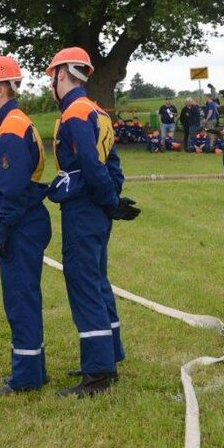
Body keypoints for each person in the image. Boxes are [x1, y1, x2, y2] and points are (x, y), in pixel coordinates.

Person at [46, 47, 140, 397]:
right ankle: (109, 353)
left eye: (51, 77)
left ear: (62, 75)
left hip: (83, 209)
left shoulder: (74, 113)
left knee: (84, 282)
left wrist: (107, 200)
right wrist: (112, 200)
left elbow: (90, 164)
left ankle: (98, 372)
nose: (50, 85)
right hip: (96, 206)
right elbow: (111, 164)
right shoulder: (97, 111)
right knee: (97, 279)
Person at [0, 55, 51, 396]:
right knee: (25, 297)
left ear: (1, 88)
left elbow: (12, 192)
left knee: (20, 299)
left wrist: (1, 228)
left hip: (21, 225)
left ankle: (25, 378)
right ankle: (33, 368)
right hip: (26, 220)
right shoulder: (15, 123)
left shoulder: (11, 130)